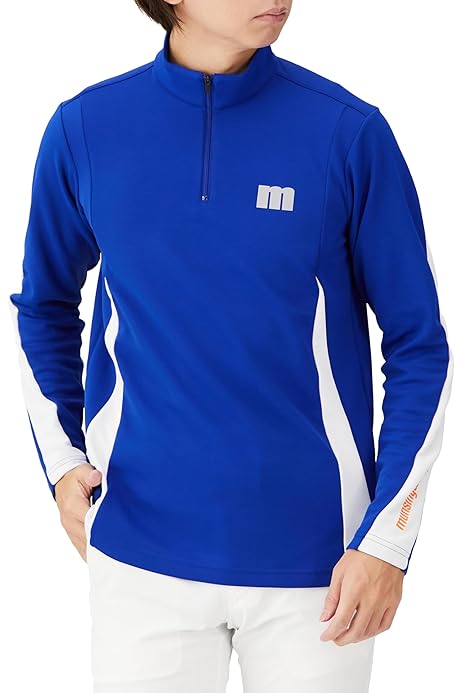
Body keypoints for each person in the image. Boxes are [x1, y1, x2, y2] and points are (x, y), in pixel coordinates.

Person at [9, 1, 454, 691]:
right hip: (139, 554)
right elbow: (43, 306)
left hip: (322, 568)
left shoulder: (347, 133)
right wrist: (64, 463)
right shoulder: (86, 129)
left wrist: (388, 540)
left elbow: (419, 344)